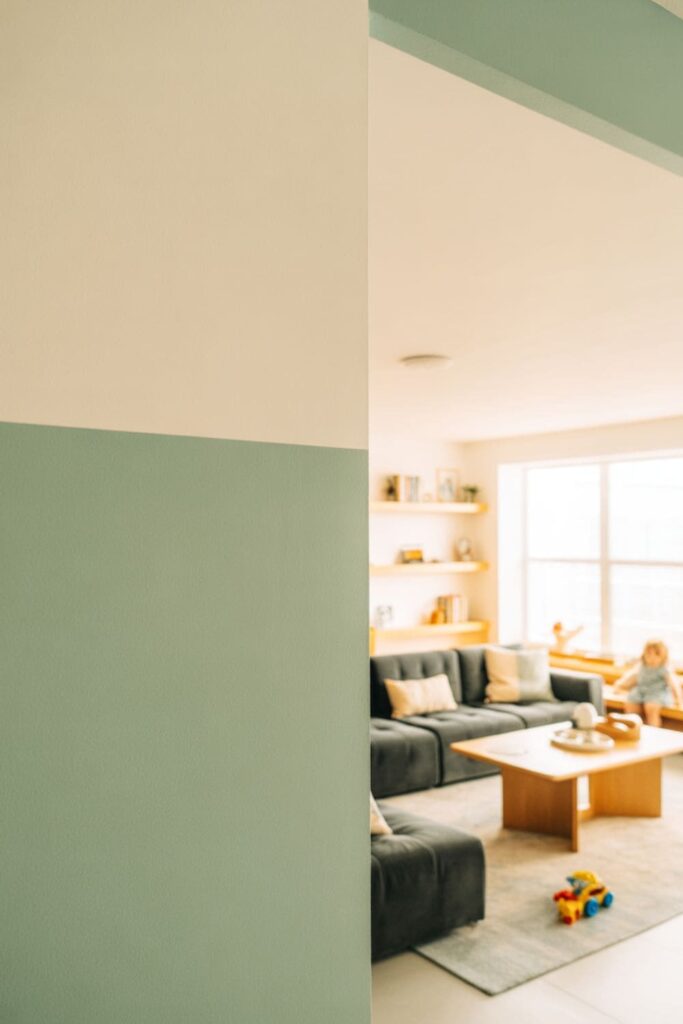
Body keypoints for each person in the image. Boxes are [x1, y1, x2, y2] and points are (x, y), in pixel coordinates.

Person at [612, 639, 682, 727]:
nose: (652, 657)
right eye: (649, 654)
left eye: (657, 654)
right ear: (644, 654)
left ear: (664, 657)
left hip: (657, 693)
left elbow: (674, 684)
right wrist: (620, 685)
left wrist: (678, 699)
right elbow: (631, 677)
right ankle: (632, 728)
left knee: (651, 708)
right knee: (630, 704)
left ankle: (653, 730)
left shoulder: (664, 669)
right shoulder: (642, 667)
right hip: (640, 691)